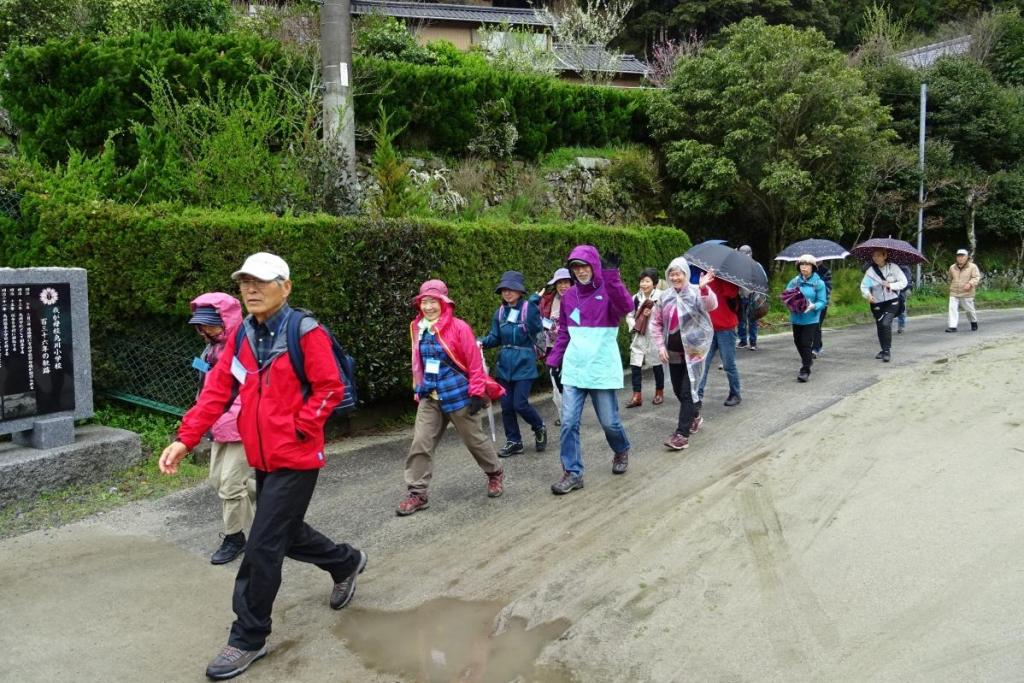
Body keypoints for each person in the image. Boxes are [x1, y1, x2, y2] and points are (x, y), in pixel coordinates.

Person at [159, 252, 366, 680]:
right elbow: (216, 391)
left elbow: (330, 388)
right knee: (285, 534)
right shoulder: (240, 338)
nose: (251, 289)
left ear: (285, 287)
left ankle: (248, 637)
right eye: (245, 283)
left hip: (298, 456)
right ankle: (345, 561)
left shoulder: (305, 332)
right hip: (262, 455)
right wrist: (185, 438)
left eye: (261, 282)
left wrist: (300, 429)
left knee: (263, 545)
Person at [399, 279, 506, 515]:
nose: (428, 307)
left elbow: (474, 363)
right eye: (424, 302)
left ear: (444, 303)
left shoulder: (459, 327)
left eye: (433, 301)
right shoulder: (418, 328)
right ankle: (417, 493)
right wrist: (419, 388)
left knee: (474, 441)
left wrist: (477, 392)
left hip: (459, 395)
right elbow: (419, 363)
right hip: (431, 397)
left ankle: (495, 472)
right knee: (421, 442)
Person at [546, 245, 633, 495]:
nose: (581, 271)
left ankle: (621, 449)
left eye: (585, 266)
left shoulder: (608, 290)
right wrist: (555, 358)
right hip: (575, 368)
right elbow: (564, 330)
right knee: (568, 422)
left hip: (601, 368)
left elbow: (626, 306)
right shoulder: (570, 296)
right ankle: (573, 473)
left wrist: (612, 276)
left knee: (609, 422)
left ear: (594, 266)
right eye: (576, 267)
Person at [188, 292, 255, 565]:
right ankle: (263, 491)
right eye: (201, 325)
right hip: (219, 424)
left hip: (243, 425)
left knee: (228, 486)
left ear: (227, 321)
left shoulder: (247, 345)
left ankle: (236, 537)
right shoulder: (211, 349)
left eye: (210, 324)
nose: (204, 330)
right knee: (218, 480)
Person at [649, 257, 717, 450]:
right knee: (679, 390)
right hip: (673, 352)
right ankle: (695, 415)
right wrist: (661, 346)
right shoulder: (665, 296)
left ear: (686, 274)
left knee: (688, 391)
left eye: (679, 273)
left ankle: (681, 435)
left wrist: (704, 288)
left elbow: (711, 305)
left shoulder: (696, 291)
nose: (675, 277)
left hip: (694, 351)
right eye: (672, 273)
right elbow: (656, 323)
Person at [479, 271, 547, 457]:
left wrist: (534, 307)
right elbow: (495, 337)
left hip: (524, 363)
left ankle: (539, 427)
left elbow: (536, 328)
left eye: (511, 289)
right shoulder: (499, 313)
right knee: (507, 406)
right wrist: (479, 342)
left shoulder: (528, 308)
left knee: (520, 404)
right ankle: (514, 441)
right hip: (505, 365)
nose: (507, 293)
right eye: (504, 290)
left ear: (519, 291)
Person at [696, 277, 742, 409]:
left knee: (728, 364)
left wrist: (725, 279)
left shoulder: (730, 277)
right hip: (708, 327)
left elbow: (731, 293)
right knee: (702, 364)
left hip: (726, 327)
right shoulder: (704, 276)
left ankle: (735, 393)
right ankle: (697, 397)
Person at [624, 267, 665, 409]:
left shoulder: (661, 296)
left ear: (654, 283)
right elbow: (629, 315)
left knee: (657, 366)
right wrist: (635, 325)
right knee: (635, 366)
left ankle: (659, 392)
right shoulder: (635, 298)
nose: (644, 284)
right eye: (642, 281)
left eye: (647, 281)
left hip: (654, 337)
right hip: (639, 336)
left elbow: (666, 314)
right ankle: (637, 395)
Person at [785, 255, 829, 383]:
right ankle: (808, 360)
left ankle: (805, 370)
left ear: (813, 267)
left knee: (805, 342)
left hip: (811, 319)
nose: (804, 267)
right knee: (797, 342)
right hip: (796, 318)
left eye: (807, 264)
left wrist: (813, 306)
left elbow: (822, 301)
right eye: (802, 264)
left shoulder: (818, 283)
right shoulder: (794, 281)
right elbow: (787, 295)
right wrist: (788, 302)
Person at [859, 248, 907, 362]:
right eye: (874, 256)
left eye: (878, 255)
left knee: (886, 323)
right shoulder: (871, 271)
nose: (875, 258)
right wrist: (868, 295)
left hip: (892, 301)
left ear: (885, 256)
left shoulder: (893, 268)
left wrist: (891, 285)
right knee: (880, 325)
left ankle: (887, 351)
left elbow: (903, 282)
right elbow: (864, 286)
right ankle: (883, 349)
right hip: (877, 302)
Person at [539, 268, 572, 425]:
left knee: (569, 382)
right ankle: (563, 414)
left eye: (566, 282)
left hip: (571, 347)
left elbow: (579, 322)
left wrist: (560, 328)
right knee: (556, 382)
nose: (563, 286)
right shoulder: (549, 300)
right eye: (560, 283)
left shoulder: (577, 299)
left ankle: (570, 414)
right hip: (552, 347)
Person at [947, 248, 982, 333]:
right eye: (958, 256)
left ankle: (973, 322)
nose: (960, 258)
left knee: (969, 310)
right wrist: (951, 286)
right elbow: (949, 278)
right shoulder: (952, 267)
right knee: (952, 309)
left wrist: (970, 284)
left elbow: (976, 277)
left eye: (962, 256)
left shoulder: (972, 267)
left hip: (967, 293)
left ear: (967, 257)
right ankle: (952, 326)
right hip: (954, 292)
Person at [736, 245, 759, 351]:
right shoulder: (737, 267)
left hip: (753, 296)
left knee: (753, 319)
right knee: (741, 319)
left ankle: (753, 341)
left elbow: (762, 280)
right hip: (741, 295)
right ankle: (743, 341)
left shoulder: (756, 266)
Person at [811, 260, 833, 357]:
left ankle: (815, 348)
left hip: (821, 302)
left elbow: (828, 288)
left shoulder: (825, 271)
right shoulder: (808, 269)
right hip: (808, 302)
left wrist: (818, 286)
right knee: (811, 325)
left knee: (817, 325)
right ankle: (818, 345)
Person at [895, 264, 913, 334]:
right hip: (891, 289)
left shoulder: (904, 267)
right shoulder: (888, 265)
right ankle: (887, 326)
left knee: (902, 307)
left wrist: (907, 288)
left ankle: (901, 326)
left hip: (902, 290)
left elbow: (908, 279)